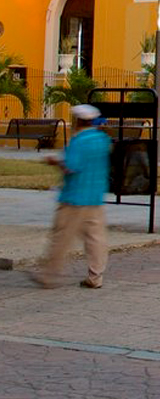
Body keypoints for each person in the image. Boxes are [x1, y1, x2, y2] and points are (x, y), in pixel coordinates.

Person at [32, 104, 112, 290]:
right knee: (96, 239)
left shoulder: (79, 140)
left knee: (61, 237)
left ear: (77, 120)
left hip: (74, 197)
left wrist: (54, 161)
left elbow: (71, 166)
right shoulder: (102, 139)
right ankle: (95, 276)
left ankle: (49, 276)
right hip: (95, 196)